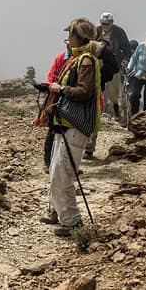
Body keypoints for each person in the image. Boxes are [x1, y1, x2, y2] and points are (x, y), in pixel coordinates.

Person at [44, 18, 102, 236]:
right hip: (66, 124)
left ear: (79, 37)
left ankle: (72, 222)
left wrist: (60, 89)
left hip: (75, 125)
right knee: (56, 170)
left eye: (70, 34)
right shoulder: (80, 58)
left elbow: (84, 92)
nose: (67, 37)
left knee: (63, 173)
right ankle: (61, 214)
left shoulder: (85, 60)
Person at [85, 12, 132, 158]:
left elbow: (127, 48)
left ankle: (117, 111)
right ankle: (89, 143)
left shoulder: (119, 32)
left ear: (112, 23)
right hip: (95, 69)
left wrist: (125, 59)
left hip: (112, 67)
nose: (105, 27)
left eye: (108, 24)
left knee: (114, 93)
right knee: (96, 100)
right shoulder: (96, 31)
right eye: (103, 24)